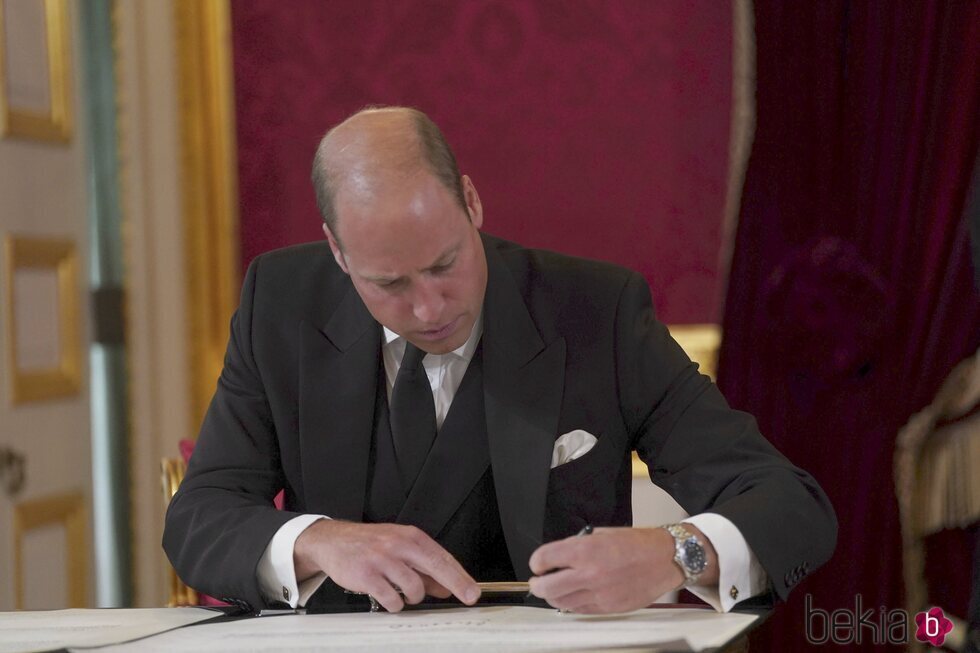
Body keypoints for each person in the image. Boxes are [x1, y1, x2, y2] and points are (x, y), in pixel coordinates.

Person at [163, 106, 837, 615]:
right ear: (338, 254)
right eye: (388, 284)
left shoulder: (595, 312)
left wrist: (678, 551)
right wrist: (319, 539)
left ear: (472, 202)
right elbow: (198, 517)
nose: (428, 308)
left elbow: (796, 509)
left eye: (444, 263)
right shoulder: (280, 305)